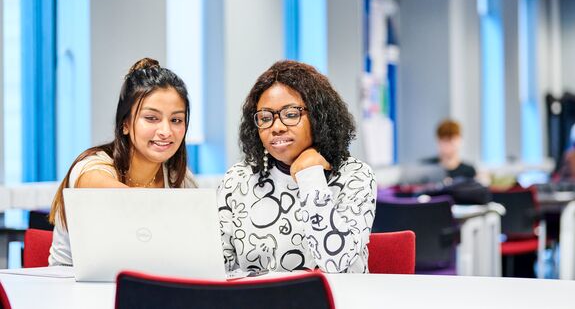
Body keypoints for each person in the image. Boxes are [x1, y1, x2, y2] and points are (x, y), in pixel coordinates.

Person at [217, 60, 377, 274]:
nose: (277, 127)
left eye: (291, 114)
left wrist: (310, 177)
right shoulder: (238, 178)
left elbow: (335, 262)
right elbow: (218, 266)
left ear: (319, 117)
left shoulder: (355, 176)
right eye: (265, 118)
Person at [48, 58, 198, 266]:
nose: (166, 131)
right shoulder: (92, 166)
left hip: (142, 289)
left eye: (176, 120)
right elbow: (111, 195)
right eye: (151, 118)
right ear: (125, 124)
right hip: (72, 289)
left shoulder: (180, 180)